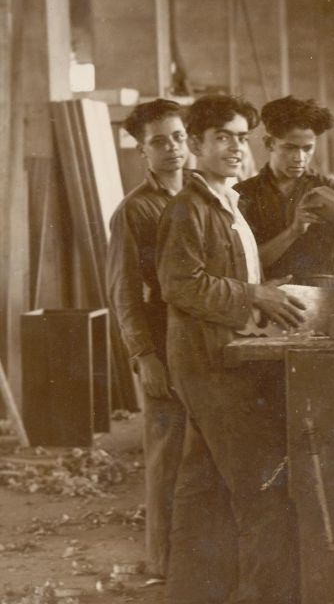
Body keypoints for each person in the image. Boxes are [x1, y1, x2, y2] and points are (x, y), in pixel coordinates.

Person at [158, 94, 307, 604]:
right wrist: (253, 295)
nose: (236, 148)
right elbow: (180, 284)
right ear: (196, 145)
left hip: (221, 356)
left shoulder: (228, 203)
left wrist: (262, 291)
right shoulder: (189, 208)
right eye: (223, 137)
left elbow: (224, 277)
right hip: (210, 364)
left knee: (202, 495)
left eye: (242, 138)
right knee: (264, 489)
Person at [106, 98, 190, 582]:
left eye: (178, 137)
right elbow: (124, 292)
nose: (172, 148)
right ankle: (162, 563)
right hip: (161, 340)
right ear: (143, 150)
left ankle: (194, 561)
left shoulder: (201, 193)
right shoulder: (134, 210)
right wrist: (144, 355)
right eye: (160, 141)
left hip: (200, 341)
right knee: (166, 456)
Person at [234, 96, 334, 288]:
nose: (299, 158)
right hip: (271, 299)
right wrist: (294, 231)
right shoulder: (242, 195)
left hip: (327, 299)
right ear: (269, 143)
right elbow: (243, 266)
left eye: (308, 149)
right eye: (290, 148)